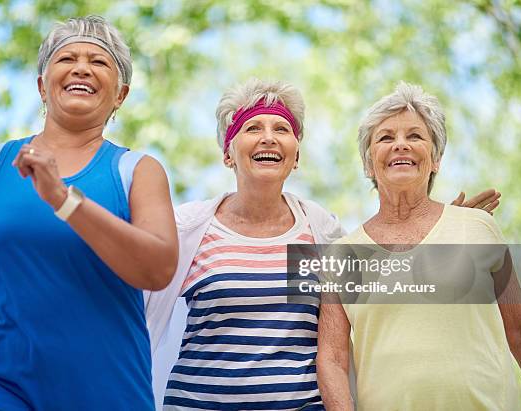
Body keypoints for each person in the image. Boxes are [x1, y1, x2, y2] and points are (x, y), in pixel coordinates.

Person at [144, 78, 501, 410]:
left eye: (281, 129)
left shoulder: (320, 231)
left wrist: (441, 225)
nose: (268, 137)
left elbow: (383, 274)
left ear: (295, 155)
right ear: (228, 154)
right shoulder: (191, 229)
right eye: (253, 128)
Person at [0, 15, 178, 410]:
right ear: (42, 86)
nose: (81, 67)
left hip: (109, 397)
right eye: (66, 59)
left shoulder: (138, 171)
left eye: (99, 61)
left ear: (120, 95)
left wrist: (64, 200)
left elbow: (158, 267)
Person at [316, 82, 521, 410]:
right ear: (368, 164)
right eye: (386, 137)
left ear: (435, 160)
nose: (401, 145)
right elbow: (332, 359)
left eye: (415, 136)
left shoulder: (479, 228)